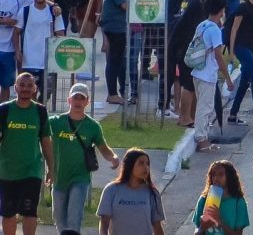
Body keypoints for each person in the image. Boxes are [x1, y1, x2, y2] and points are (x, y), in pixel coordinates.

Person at [49, 83, 119, 233]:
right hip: (59, 177)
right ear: (69, 100)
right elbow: (39, 133)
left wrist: (113, 157)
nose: (78, 102)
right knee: (59, 219)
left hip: (80, 178)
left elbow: (103, 148)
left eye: (82, 98)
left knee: (74, 218)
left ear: (87, 102)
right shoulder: (55, 122)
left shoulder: (92, 126)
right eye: (75, 98)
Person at [0, 72, 53, 235]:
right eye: (22, 85)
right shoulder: (4, 110)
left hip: (32, 170)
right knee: (8, 212)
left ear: (35, 89)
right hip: (7, 171)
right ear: (15, 88)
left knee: (29, 211)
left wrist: (51, 167)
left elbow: (45, 140)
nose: (25, 89)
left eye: (29, 86)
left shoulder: (40, 111)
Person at [191, 0, 236, 152]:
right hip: (207, 74)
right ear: (221, 11)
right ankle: (201, 140)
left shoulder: (202, 25)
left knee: (202, 106)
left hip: (197, 71)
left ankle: (202, 137)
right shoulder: (215, 30)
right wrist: (228, 79)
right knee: (205, 108)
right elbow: (218, 56)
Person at [97, 148, 165, 235]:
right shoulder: (111, 190)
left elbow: (157, 226)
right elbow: (104, 223)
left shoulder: (152, 193)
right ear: (129, 165)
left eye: (147, 164)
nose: (146, 167)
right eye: (141, 163)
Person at [192, 160, 250, 235]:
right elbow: (196, 232)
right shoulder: (203, 200)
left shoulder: (238, 202)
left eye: (221, 174)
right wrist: (202, 227)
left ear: (229, 177)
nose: (216, 178)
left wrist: (219, 221)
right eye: (213, 174)